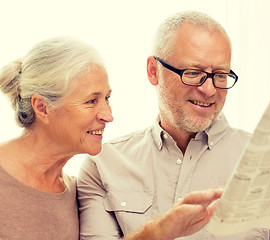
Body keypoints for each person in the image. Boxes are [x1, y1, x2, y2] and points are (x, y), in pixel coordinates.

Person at [77, 11, 270, 240]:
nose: (209, 89)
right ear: (153, 71)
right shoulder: (103, 164)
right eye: (192, 73)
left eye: (220, 75)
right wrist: (157, 232)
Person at [0, 37, 222, 240]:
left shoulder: (73, 192)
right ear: (42, 107)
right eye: (91, 101)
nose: (108, 115)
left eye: (107, 98)